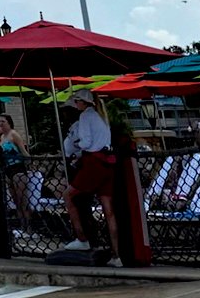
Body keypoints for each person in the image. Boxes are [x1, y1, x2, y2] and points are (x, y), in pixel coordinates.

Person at [62, 90, 122, 266]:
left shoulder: (85, 118)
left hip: (93, 163)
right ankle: (116, 255)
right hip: (107, 164)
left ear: (82, 102)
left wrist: (77, 144)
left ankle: (82, 238)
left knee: (68, 195)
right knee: (108, 210)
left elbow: (86, 143)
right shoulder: (101, 116)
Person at [0, 114, 31, 231]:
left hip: (17, 167)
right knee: (15, 200)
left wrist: (28, 161)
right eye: (0, 122)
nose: (1, 124)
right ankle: (22, 225)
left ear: (9, 122)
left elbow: (23, 150)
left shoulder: (14, 134)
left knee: (22, 199)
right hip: (8, 168)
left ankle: (28, 227)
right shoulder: (2, 137)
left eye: (3, 121)